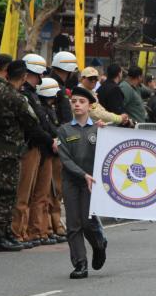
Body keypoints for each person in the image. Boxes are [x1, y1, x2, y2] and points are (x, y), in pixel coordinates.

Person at [56, 86, 107, 279]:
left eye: (82, 101)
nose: (77, 104)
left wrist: (106, 132)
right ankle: (80, 263)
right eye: (74, 101)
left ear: (90, 106)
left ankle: (98, 244)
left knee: (88, 222)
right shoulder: (64, 130)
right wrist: (81, 174)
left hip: (91, 182)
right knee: (73, 224)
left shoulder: (98, 129)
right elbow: (65, 158)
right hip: (72, 180)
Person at [0, 60, 40, 252]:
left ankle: (6, 232)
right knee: (7, 193)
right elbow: (32, 119)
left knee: (7, 192)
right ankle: (0, 235)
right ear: (24, 76)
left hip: (0, 145)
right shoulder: (17, 98)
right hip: (10, 148)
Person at [14, 54, 58, 247]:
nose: (39, 79)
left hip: (42, 147)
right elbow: (34, 125)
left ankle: (35, 231)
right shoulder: (24, 94)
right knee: (24, 194)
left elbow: (44, 121)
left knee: (40, 195)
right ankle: (19, 232)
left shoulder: (33, 95)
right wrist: (51, 140)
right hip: (31, 145)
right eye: (37, 75)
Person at [37, 77, 68, 243]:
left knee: (56, 191)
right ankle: (46, 227)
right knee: (47, 192)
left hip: (54, 151)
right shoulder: (44, 110)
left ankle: (54, 225)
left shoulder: (50, 108)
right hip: (47, 151)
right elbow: (49, 129)